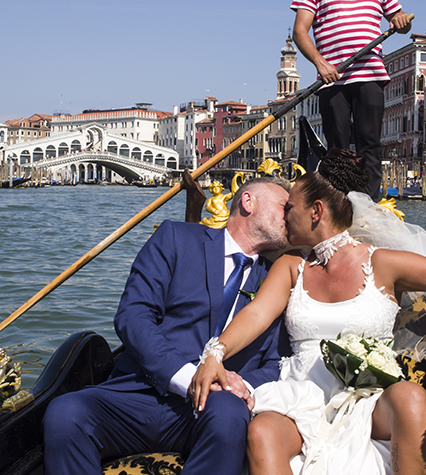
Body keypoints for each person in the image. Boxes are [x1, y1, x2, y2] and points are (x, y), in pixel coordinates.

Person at [191, 150, 426, 475]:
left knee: (411, 397)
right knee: (262, 432)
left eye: (289, 208)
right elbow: (256, 315)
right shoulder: (291, 267)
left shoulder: (383, 263)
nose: (283, 217)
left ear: (316, 212)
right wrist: (215, 353)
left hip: (372, 400)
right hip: (302, 396)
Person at [43, 176, 291, 475]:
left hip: (212, 408)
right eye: (283, 206)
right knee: (65, 413)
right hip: (139, 392)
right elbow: (133, 315)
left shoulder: (279, 281)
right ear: (248, 202)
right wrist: (188, 378)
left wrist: (234, 386)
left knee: (227, 414)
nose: (289, 216)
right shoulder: (176, 238)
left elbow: (279, 363)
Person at [291, 0, 412, 201]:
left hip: (369, 75)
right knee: (338, 149)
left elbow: (399, 20)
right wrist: (320, 64)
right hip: (333, 79)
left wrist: (403, 22)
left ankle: (370, 204)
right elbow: (300, 31)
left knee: (370, 143)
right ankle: (339, 203)